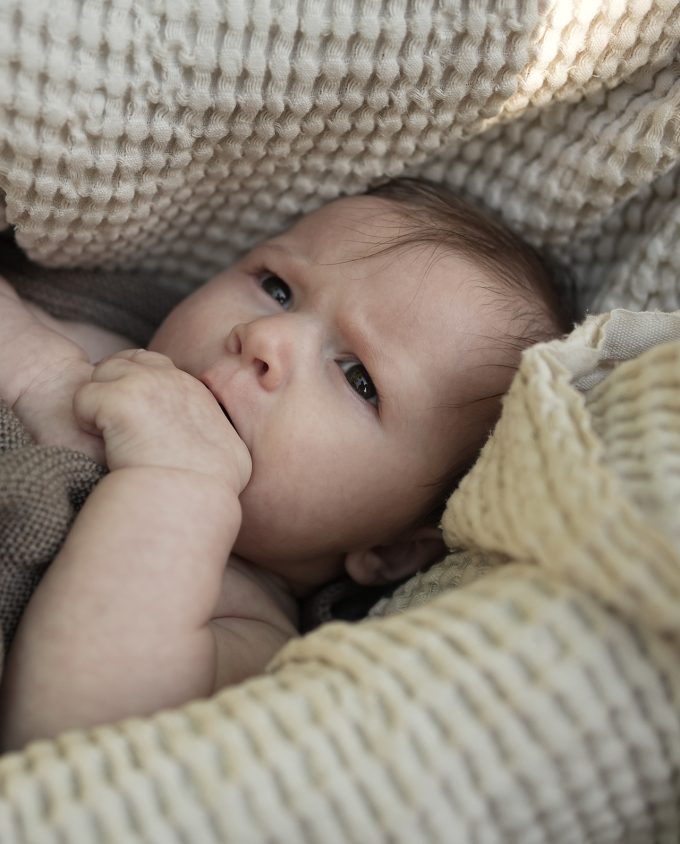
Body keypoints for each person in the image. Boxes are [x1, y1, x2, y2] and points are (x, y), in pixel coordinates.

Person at [0, 178, 571, 749]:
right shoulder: (104, 337)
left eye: (358, 378)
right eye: (277, 288)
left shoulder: (248, 634)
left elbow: (69, 742)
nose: (266, 338)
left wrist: (178, 479)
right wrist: (45, 370)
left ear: (390, 550)